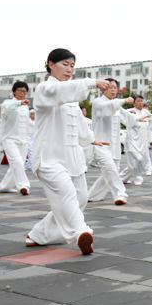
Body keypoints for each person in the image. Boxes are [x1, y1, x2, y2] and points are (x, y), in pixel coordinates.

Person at [26, 48, 109, 254]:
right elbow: (58, 93)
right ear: (50, 64)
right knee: (67, 194)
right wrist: (91, 82)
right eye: (65, 64)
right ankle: (81, 233)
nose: (69, 69)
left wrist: (91, 139)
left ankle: (38, 234)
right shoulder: (45, 88)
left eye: (72, 65)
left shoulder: (71, 96)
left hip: (71, 157)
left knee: (80, 198)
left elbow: (80, 124)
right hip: (49, 157)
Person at [89, 79, 152, 204]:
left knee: (109, 173)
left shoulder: (116, 106)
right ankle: (120, 194)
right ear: (103, 88)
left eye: (115, 87)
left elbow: (128, 118)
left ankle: (92, 195)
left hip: (114, 146)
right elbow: (107, 108)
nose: (113, 90)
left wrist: (138, 118)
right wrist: (124, 101)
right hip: (101, 144)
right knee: (109, 169)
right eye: (110, 87)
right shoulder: (98, 102)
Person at [0, 82, 32, 195]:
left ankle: (4, 186)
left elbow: (28, 123)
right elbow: (7, 109)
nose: (23, 93)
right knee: (16, 161)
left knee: (18, 164)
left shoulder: (25, 107)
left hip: (23, 140)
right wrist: (19, 103)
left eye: (24, 91)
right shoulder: (7, 103)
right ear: (14, 92)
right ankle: (24, 185)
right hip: (9, 139)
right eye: (20, 91)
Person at [119, 95, 152, 186]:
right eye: (138, 101)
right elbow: (119, 113)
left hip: (142, 142)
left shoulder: (146, 112)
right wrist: (130, 113)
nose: (140, 103)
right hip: (132, 141)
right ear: (134, 103)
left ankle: (121, 178)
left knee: (132, 165)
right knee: (138, 159)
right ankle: (138, 177)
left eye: (142, 101)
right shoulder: (129, 111)